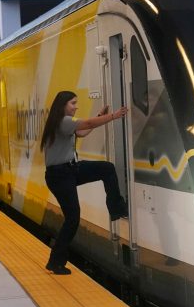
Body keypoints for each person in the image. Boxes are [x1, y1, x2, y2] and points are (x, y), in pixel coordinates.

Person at [40, 90, 129, 275]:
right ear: (63, 105)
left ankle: (116, 209)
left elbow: (83, 131)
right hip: (60, 176)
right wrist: (113, 116)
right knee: (72, 219)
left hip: (70, 171)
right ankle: (55, 262)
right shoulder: (62, 121)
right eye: (73, 103)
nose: (76, 106)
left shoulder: (64, 123)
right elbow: (86, 124)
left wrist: (99, 117)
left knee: (107, 168)